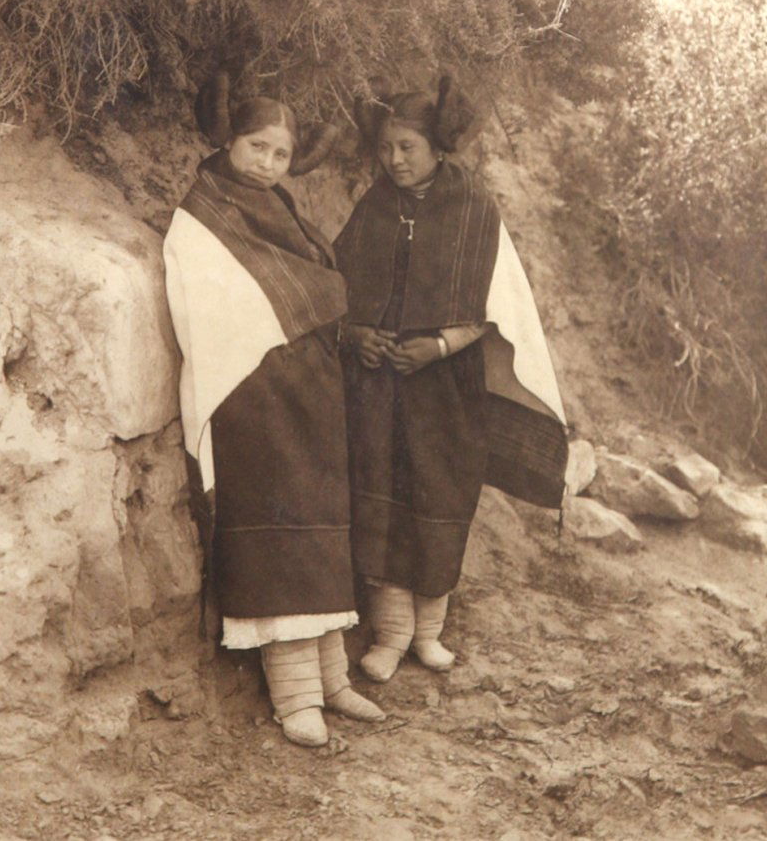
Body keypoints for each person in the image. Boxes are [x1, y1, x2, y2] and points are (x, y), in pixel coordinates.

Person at [163, 71, 384, 747]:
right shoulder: (203, 212)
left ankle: (331, 677)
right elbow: (206, 303)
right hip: (252, 398)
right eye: (256, 147)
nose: (266, 163)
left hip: (308, 392)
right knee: (278, 530)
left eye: (280, 153)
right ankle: (295, 700)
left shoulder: (281, 208)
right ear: (228, 141)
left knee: (320, 523)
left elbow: (310, 284)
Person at [335, 76, 568, 684]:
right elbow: (336, 290)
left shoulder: (474, 208)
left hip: (446, 390)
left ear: (438, 145)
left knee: (440, 499)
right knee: (384, 498)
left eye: (408, 147)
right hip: (381, 388)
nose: (395, 160)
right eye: (386, 148)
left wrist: (438, 345)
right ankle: (390, 636)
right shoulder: (374, 205)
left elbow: (499, 310)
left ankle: (430, 634)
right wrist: (359, 335)